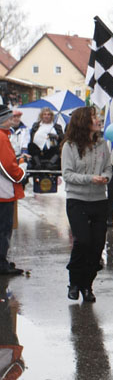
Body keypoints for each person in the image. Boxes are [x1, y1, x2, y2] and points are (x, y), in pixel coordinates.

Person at [61, 107, 112, 302]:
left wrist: (106, 177)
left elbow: (108, 168)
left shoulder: (102, 144)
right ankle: (74, 281)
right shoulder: (70, 146)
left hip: (99, 200)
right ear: (83, 121)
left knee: (97, 245)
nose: (97, 120)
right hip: (77, 200)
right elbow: (67, 174)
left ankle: (87, 285)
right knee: (82, 241)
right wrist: (91, 179)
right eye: (93, 117)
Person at [0, 105, 25, 276]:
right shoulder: (2, 138)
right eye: (8, 118)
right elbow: (7, 165)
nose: (12, 121)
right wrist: (21, 173)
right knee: (3, 228)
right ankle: (2, 263)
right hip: (3, 190)